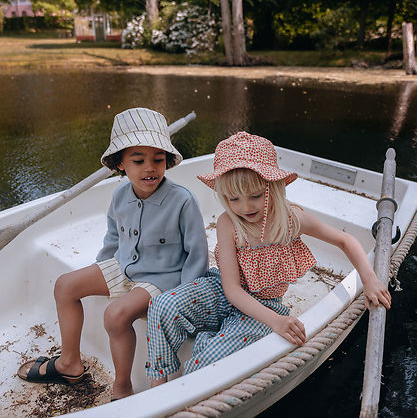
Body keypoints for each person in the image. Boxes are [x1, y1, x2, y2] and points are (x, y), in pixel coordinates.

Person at [145, 131, 391, 386]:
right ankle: (158, 387)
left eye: (255, 196)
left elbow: (345, 240)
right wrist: (277, 323)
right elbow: (231, 289)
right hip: (223, 289)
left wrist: (369, 279)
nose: (245, 207)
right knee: (162, 306)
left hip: (265, 306)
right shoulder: (228, 223)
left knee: (209, 362)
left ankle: (194, 375)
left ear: (272, 187)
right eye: (234, 199)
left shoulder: (291, 219)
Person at [17, 107, 208, 400]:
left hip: (164, 279)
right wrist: (99, 272)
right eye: (138, 160)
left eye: (158, 159)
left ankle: (122, 387)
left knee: (115, 315)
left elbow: (196, 253)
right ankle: (69, 362)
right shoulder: (120, 194)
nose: (150, 168)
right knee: (65, 285)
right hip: (124, 265)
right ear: (120, 163)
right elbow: (113, 236)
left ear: (168, 161)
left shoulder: (182, 200)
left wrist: (183, 299)